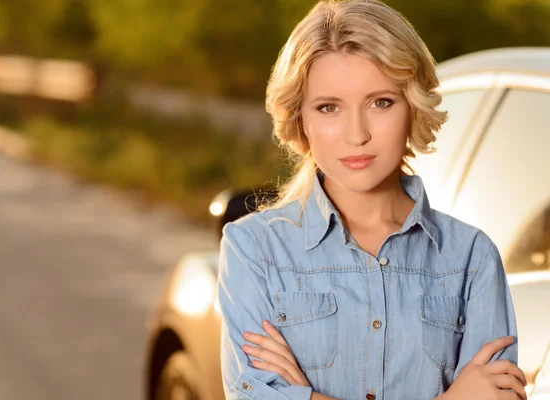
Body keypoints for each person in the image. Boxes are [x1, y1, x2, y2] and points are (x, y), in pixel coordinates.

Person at [217, 0, 527, 399]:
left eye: (380, 102)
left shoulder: (472, 259)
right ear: (301, 119)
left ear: (412, 106)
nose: (357, 134)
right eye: (329, 107)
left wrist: (303, 395)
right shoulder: (253, 250)